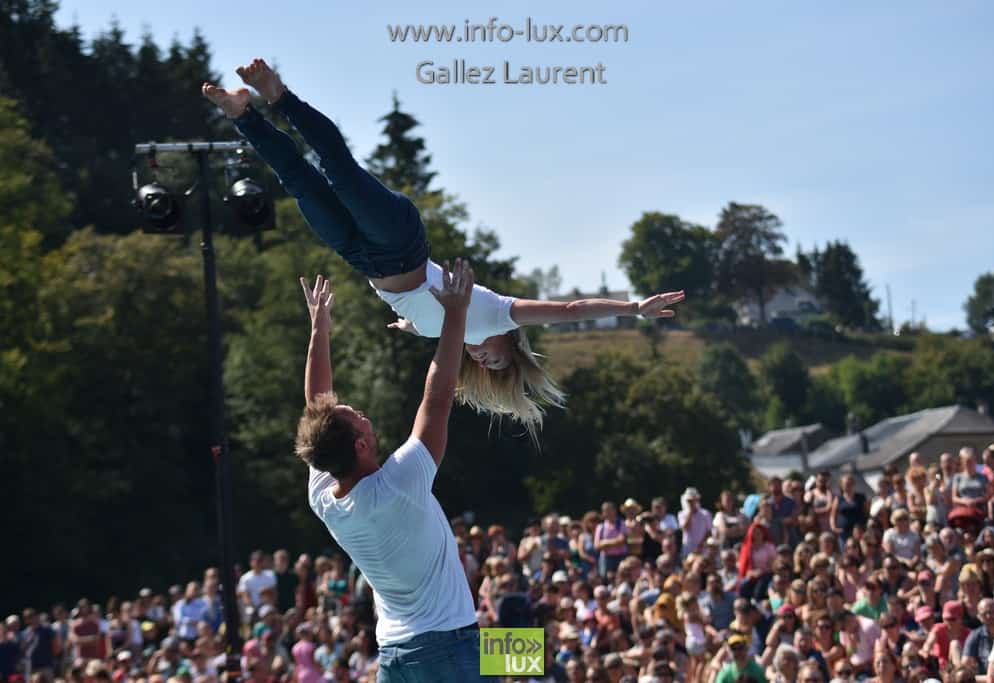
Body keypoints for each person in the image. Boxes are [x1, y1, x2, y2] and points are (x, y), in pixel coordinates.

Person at [203, 60, 686, 439]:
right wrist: (633, 307)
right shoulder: (503, 315)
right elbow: (570, 308)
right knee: (338, 170)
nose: (486, 360)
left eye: (487, 368)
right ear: (512, 344)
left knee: (300, 184)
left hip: (364, 261)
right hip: (401, 242)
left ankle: (242, 114)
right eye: (499, 361)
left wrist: (406, 323)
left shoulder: (442, 334)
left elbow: (418, 318)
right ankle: (277, 94)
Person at [294, 265, 485, 682]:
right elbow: (437, 398)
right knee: (534, 658)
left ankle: (548, 659)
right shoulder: (401, 483)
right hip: (449, 648)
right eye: (357, 418)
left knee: (536, 653)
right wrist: (457, 312)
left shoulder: (326, 495)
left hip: (398, 654)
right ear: (360, 445)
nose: (361, 413)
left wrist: (319, 329)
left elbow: (316, 407)